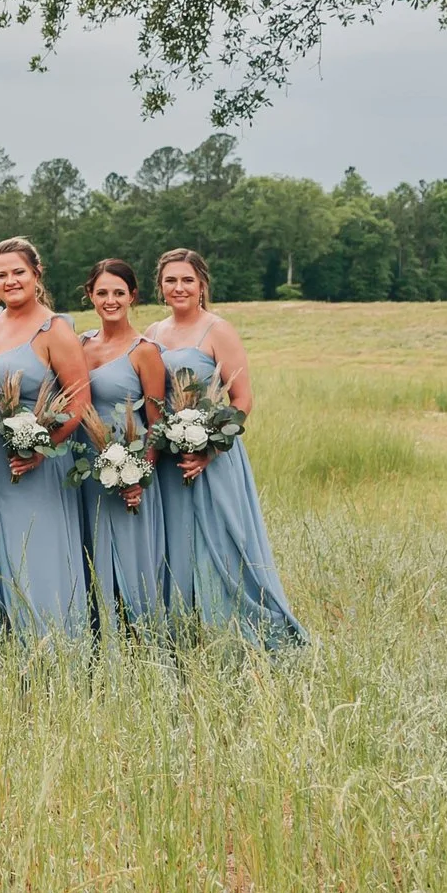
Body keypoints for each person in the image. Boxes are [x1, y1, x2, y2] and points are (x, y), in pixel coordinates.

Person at [145, 247, 305, 646]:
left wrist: (209, 447)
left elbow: (242, 400)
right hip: (167, 459)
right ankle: (185, 630)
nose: (179, 288)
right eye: (171, 280)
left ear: (202, 285)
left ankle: (239, 629)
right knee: (174, 542)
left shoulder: (217, 330)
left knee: (218, 539)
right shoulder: (152, 332)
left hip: (211, 458)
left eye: (187, 280)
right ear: (160, 286)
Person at [0, 237, 93, 637]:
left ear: (37, 274)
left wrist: (42, 449)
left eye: (18, 272)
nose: (10, 281)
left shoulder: (55, 329)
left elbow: (78, 402)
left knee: (33, 549)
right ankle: (0, 636)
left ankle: (51, 642)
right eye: (0, 275)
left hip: (30, 463)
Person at [78, 259, 171, 634]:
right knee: (90, 546)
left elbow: (156, 420)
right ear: (90, 296)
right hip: (85, 462)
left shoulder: (145, 351)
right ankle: (97, 633)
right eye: (102, 293)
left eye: (119, 292)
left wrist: (136, 474)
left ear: (133, 296)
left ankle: (138, 637)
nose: (110, 300)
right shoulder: (80, 344)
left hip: (129, 466)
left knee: (130, 555)